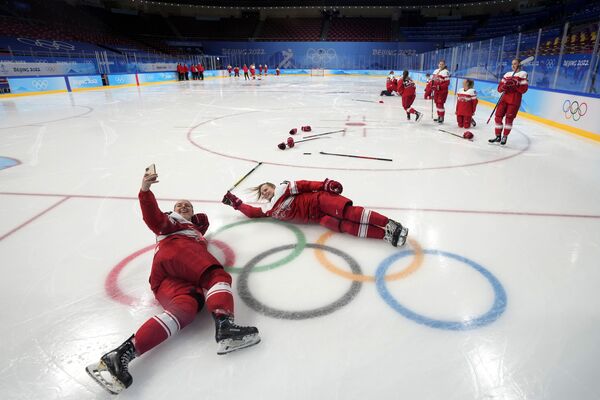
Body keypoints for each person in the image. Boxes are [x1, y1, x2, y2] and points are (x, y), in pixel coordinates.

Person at [86, 170, 260, 395]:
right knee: (216, 276)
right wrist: (145, 191)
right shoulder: (173, 223)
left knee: (186, 308)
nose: (183, 207)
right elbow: (153, 218)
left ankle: (119, 357)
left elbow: (201, 224)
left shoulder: (192, 228)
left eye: (188, 205)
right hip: (179, 252)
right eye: (179, 206)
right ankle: (226, 329)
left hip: (163, 277)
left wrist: (198, 222)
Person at [222, 179, 408, 247]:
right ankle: (384, 234)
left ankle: (389, 223)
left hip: (320, 201)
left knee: (350, 213)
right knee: (346, 227)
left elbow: (305, 185)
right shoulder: (268, 210)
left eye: (266, 188)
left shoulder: (283, 188)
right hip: (319, 218)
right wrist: (236, 203)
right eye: (262, 192)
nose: (265, 192)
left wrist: (325, 185)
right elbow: (253, 212)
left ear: (272, 186)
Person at [489, 58, 528, 145]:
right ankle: (498, 136)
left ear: (519, 65)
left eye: (515, 64)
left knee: (509, 119)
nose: (513, 65)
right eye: (512, 64)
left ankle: (505, 136)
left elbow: (523, 90)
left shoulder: (523, 74)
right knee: (498, 117)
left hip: (514, 100)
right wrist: (504, 87)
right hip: (504, 99)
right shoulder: (507, 74)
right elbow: (499, 89)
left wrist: (515, 85)